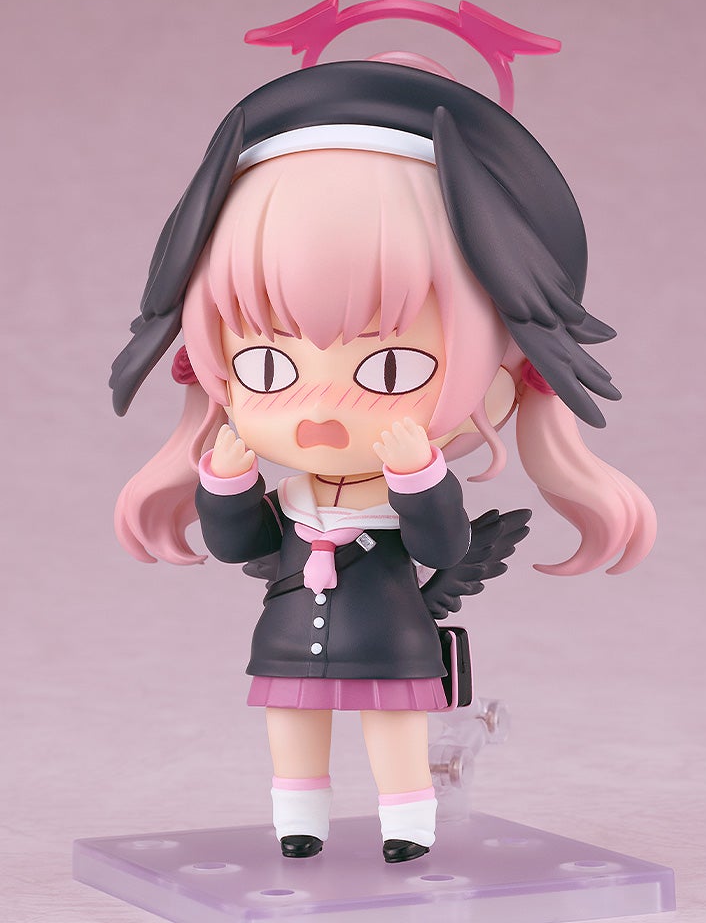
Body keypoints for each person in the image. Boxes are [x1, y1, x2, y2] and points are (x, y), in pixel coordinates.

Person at [111, 50, 655, 864]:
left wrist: (419, 478)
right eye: (268, 367)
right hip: (288, 637)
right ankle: (299, 818)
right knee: (290, 723)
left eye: (390, 369)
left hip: (394, 638)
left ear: (510, 373)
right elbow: (244, 545)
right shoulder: (294, 497)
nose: (320, 410)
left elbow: (445, 546)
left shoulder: (403, 489)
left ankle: (408, 823)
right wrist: (224, 485)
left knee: (392, 726)